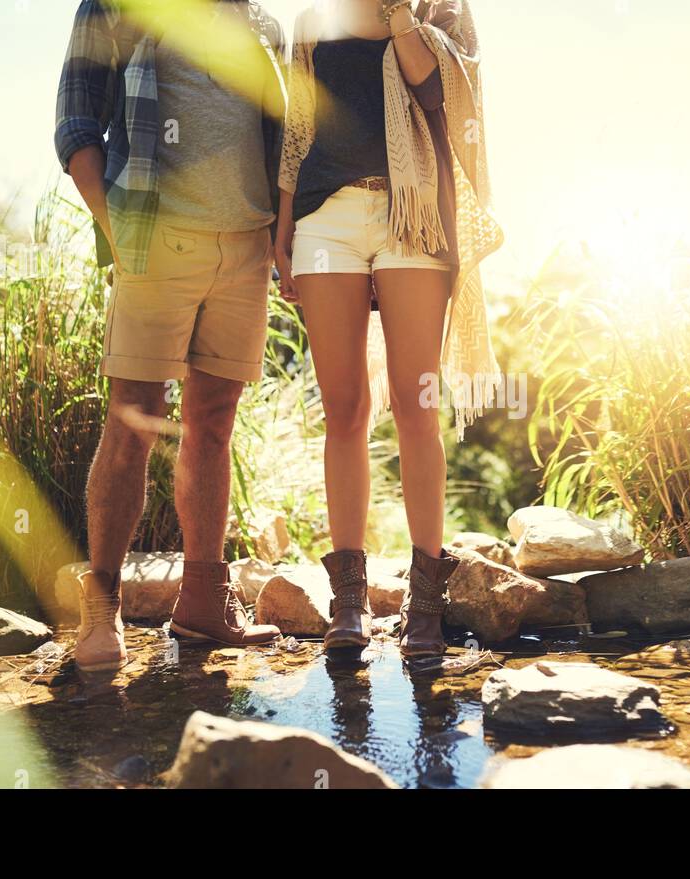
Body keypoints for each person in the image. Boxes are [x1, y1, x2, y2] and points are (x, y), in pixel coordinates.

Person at [54, 0, 288, 671]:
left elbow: (282, 144)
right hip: (154, 238)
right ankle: (102, 609)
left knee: (214, 425)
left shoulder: (263, 26)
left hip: (245, 248)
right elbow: (76, 123)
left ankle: (202, 604)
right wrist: (117, 231)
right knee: (134, 419)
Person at [275, 0, 502, 658]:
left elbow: (441, 94)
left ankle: (424, 603)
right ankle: (350, 603)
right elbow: (296, 127)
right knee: (344, 407)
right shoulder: (314, 18)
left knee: (416, 404)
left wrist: (400, 15)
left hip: (414, 214)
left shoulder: (440, 8)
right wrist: (284, 224)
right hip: (326, 220)